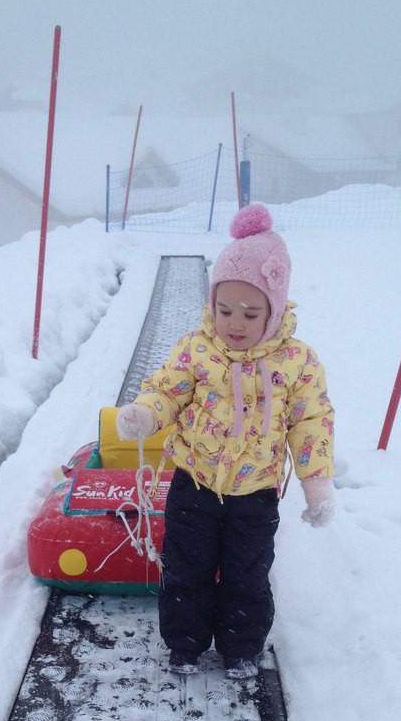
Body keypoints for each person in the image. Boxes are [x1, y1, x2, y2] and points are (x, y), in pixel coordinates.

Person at [116, 203, 335, 679]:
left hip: (256, 493)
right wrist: (146, 413)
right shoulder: (196, 349)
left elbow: (311, 422)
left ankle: (241, 646)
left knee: (247, 574)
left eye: (250, 313)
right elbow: (167, 390)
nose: (234, 323)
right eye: (224, 309)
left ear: (274, 311)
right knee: (186, 568)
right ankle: (185, 643)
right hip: (194, 484)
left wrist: (315, 482)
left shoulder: (297, 362)